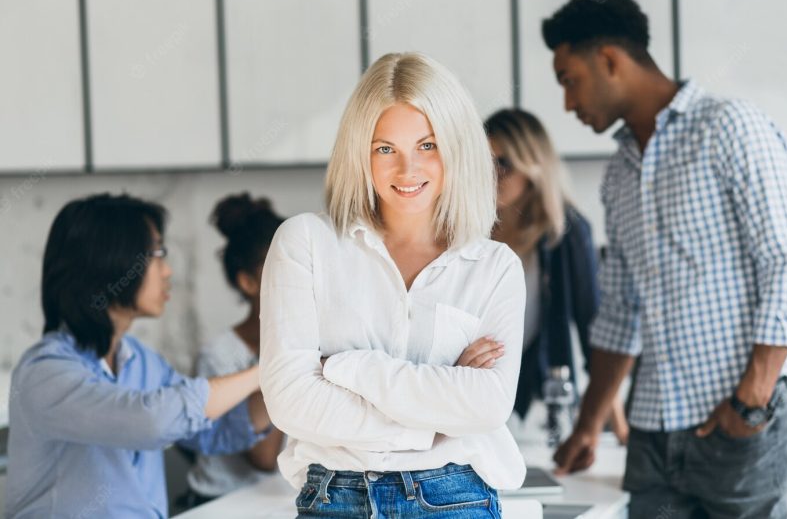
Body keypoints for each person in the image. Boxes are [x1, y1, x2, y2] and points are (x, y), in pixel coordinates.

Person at [542, 0, 787, 518]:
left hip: (737, 426)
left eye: (570, 80)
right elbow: (620, 313)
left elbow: (786, 263)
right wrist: (589, 424)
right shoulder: (619, 174)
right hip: (653, 432)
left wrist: (749, 402)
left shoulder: (729, 128)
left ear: (610, 59)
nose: (568, 104)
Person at [259, 52, 526, 517]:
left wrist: (347, 368)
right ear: (359, 153)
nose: (407, 170)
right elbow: (291, 401)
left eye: (427, 145)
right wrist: (435, 420)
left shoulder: (495, 267)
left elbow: (486, 406)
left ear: (456, 146)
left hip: (455, 498)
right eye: (386, 149)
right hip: (335, 498)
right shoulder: (304, 242)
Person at [6, 193, 272, 519]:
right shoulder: (44, 373)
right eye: (157, 254)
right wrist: (266, 371)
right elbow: (151, 421)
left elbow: (211, 431)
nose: (168, 271)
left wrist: (290, 378)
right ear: (108, 261)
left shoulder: (142, 361)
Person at [485, 108, 628, 445]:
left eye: (504, 163)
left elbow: (594, 329)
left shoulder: (567, 234)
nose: (492, 175)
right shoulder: (470, 230)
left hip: (540, 402)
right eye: (484, 162)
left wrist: (618, 426)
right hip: (473, 396)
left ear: (534, 165)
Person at [184, 193, 286, 505]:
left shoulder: (318, 340)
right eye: (281, 268)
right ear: (248, 282)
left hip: (279, 500)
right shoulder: (218, 355)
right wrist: (283, 349)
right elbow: (264, 457)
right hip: (223, 502)